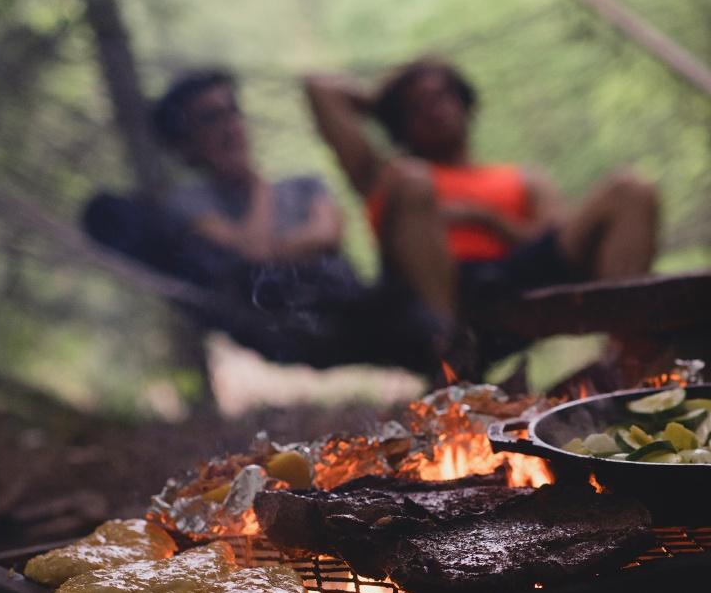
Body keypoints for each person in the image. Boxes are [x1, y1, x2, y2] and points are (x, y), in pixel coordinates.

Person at [303, 57, 660, 322]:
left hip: (519, 274)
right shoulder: (385, 177)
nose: (432, 110)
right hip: (433, 293)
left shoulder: (522, 178)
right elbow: (319, 87)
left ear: (465, 104)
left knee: (632, 188)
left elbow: (555, 238)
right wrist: (386, 102)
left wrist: (485, 219)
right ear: (400, 123)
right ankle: (449, 349)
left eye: (441, 96)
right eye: (416, 106)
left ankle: (626, 347)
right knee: (414, 179)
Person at [148, 69, 453, 373]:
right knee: (413, 321)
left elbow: (327, 236)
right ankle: (449, 359)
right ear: (186, 143)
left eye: (232, 111)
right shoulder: (188, 203)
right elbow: (252, 254)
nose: (230, 126)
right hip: (292, 325)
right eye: (212, 118)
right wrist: (257, 186)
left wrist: (268, 247)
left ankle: (450, 354)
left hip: (355, 302)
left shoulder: (305, 184)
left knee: (412, 191)